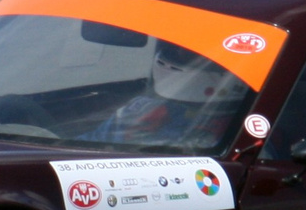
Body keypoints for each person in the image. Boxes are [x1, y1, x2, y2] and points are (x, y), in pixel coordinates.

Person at [85, 38, 242, 147]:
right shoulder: (139, 108)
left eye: (193, 53)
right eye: (178, 47)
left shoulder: (236, 130)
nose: (180, 51)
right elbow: (90, 143)